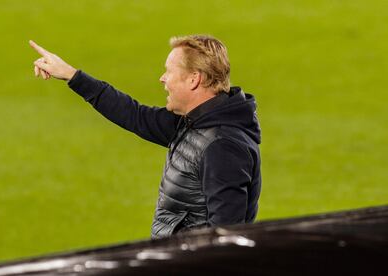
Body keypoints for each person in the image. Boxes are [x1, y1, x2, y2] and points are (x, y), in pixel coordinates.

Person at [29, 35, 262, 239]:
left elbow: (226, 240)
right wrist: (72, 75)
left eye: (169, 71)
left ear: (194, 79)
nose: (162, 78)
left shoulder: (222, 145)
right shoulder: (193, 123)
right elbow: (134, 115)